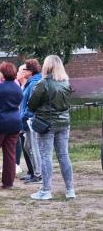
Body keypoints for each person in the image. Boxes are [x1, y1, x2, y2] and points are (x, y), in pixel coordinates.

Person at [28, 55, 75, 200]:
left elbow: (32, 104)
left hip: (46, 124)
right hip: (63, 123)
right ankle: (70, 189)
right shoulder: (66, 83)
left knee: (45, 156)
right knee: (63, 155)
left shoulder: (44, 83)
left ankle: (46, 190)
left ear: (47, 66)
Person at [0, 62, 23, 189]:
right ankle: (8, 183)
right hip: (14, 123)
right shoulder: (18, 88)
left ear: (2, 73)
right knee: (10, 153)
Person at [20, 59, 43, 184]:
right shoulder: (30, 83)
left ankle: (38, 175)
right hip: (27, 120)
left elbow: (32, 103)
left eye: (24, 69)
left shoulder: (34, 84)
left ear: (30, 71)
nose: (22, 71)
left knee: (34, 148)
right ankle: (34, 172)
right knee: (28, 146)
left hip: (31, 120)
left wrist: (25, 116)